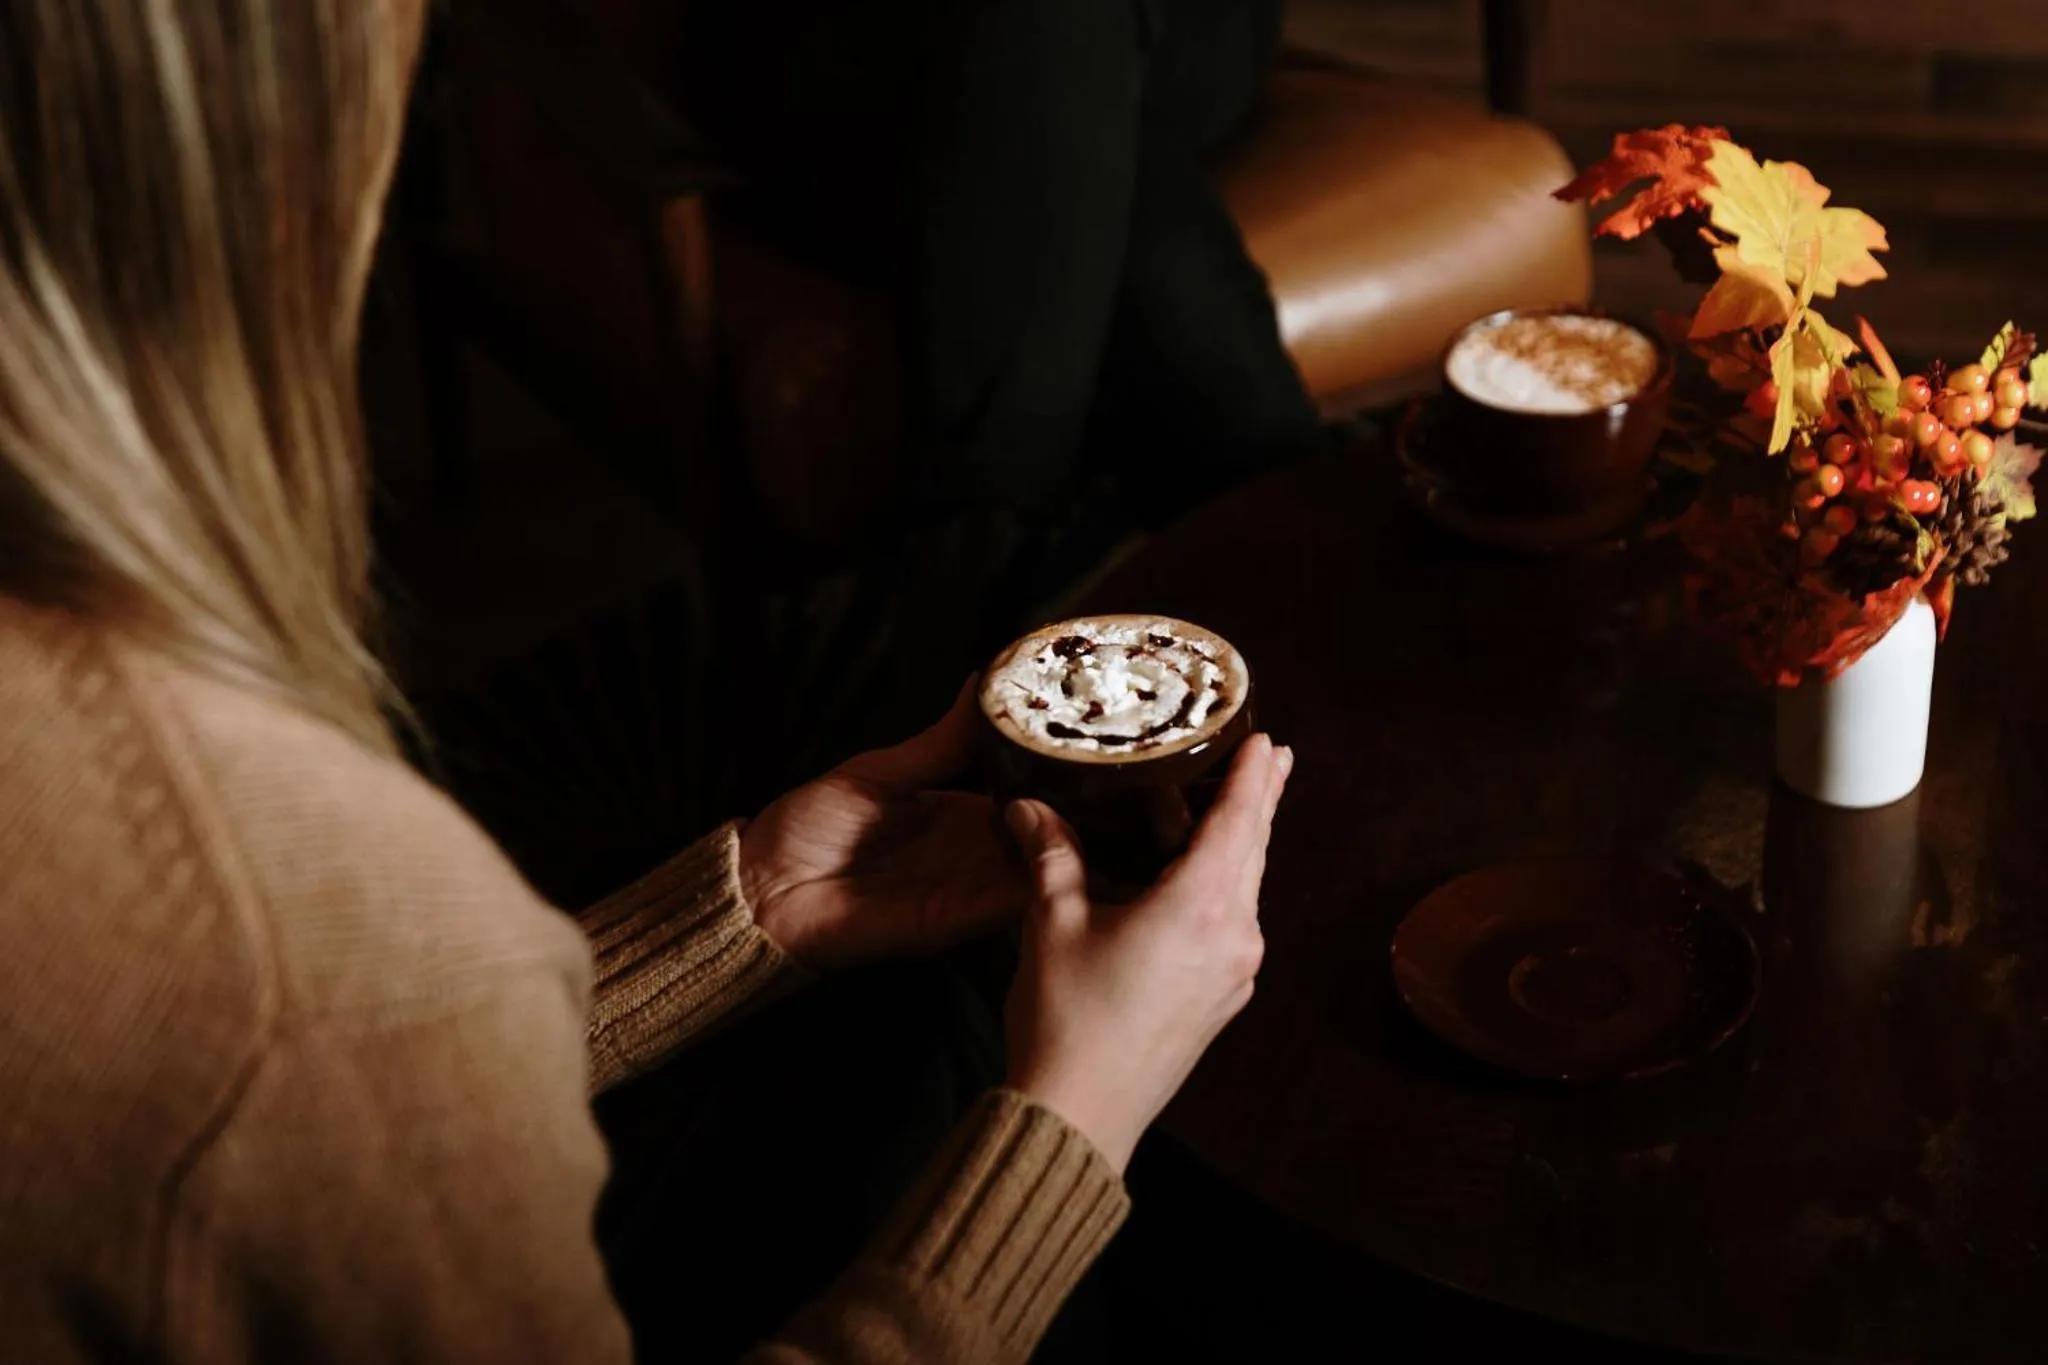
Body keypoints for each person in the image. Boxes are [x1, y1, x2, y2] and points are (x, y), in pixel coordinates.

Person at [0, 3, 1291, 1363]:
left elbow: (326, 1101)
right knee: (930, 1064)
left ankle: (1111, 522)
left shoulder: (290, 938)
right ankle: (1256, 508)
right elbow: (318, 1054)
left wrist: (728, 921)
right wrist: (1078, 1115)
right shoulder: (308, 925)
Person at [676, 0, 1328, 774]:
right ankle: (1304, 569)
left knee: (1049, 69)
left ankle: (968, 620)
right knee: (1073, 130)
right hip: (851, 64)